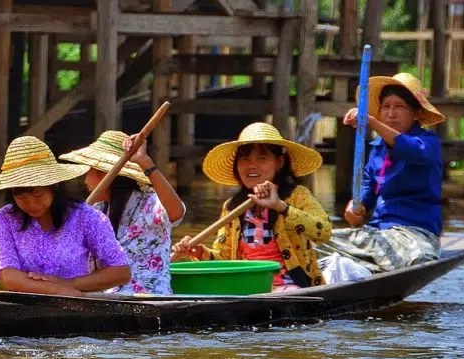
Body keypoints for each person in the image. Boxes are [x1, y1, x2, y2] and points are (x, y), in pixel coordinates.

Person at [317, 73, 447, 283]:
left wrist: (371, 122)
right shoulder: (377, 150)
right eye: (386, 107)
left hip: (413, 235)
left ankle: (367, 266)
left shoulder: (427, 142)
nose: (391, 113)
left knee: (418, 258)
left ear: (415, 112)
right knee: (312, 241)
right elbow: (367, 194)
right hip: (378, 235)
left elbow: (412, 150)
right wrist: (355, 209)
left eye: (399, 106)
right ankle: (361, 269)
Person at [171, 122, 332, 291]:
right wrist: (199, 252)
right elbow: (225, 259)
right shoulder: (232, 207)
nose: (251, 165)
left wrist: (281, 206)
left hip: (290, 286)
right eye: (244, 158)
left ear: (280, 162)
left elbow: (324, 232)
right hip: (247, 287)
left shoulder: (298, 195)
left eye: (261, 158)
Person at [0, 136, 131, 297]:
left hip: (76, 308)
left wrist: (70, 283)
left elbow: (120, 271)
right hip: (23, 311)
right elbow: (10, 278)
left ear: (54, 186)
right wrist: (58, 290)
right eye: (21, 198)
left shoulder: (86, 216)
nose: (31, 205)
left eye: (38, 195)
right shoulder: (3, 219)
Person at [58, 130, 185, 294]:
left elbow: (177, 212)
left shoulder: (148, 201)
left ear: (104, 174)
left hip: (148, 298)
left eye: (89, 172)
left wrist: (145, 162)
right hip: (108, 298)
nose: (86, 181)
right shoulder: (96, 211)